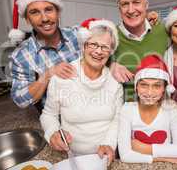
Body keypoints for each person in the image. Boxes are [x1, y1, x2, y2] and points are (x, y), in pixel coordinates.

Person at [40, 18, 123, 164]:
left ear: (111, 52)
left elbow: (117, 119)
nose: (98, 51)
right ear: (83, 46)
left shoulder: (115, 81)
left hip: (106, 156)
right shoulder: (62, 77)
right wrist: (52, 133)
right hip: (71, 156)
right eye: (93, 44)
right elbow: (48, 114)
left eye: (105, 47)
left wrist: (109, 144)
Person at [9, 0, 80, 110]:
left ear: (58, 13)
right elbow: (20, 100)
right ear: (27, 19)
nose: (44, 18)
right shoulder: (20, 56)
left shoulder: (79, 35)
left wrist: (111, 63)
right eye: (34, 12)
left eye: (48, 9)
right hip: (56, 119)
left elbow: (107, 44)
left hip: (92, 108)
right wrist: (48, 75)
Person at [118, 54, 177, 168]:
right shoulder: (127, 109)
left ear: (164, 88)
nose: (149, 93)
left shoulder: (171, 109)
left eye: (156, 86)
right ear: (136, 87)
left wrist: (144, 148)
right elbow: (125, 155)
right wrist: (164, 158)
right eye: (144, 85)